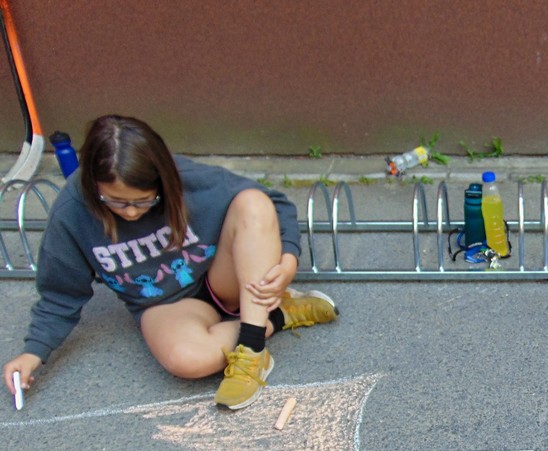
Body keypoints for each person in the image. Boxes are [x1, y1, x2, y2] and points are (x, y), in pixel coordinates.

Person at [2, 114, 338, 410]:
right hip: (165, 305)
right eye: (115, 202)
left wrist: (288, 259)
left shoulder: (182, 176)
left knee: (252, 202)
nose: (130, 212)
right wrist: (34, 352)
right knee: (187, 361)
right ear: (92, 186)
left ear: (161, 180)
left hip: (220, 276)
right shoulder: (72, 211)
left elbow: (271, 203)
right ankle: (279, 314)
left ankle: (252, 350)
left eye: (143, 201)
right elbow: (60, 294)